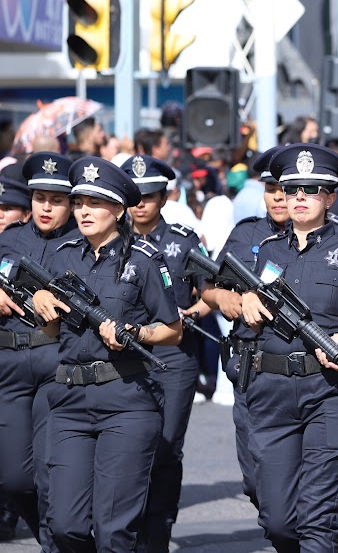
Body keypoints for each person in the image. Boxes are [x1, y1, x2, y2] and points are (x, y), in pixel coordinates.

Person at [240, 143, 338, 551]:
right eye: (291, 189)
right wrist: (246, 300)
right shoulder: (268, 250)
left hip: (330, 392)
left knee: (316, 515)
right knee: (276, 519)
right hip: (272, 390)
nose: (298, 198)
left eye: (311, 190)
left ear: (330, 197)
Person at [32, 156, 183, 552]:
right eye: (79, 202)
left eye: (95, 204)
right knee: (64, 525)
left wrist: (137, 332)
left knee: (115, 531)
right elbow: (50, 330)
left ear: (118, 210)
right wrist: (41, 301)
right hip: (68, 402)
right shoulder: (62, 256)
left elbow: (173, 329)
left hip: (126, 401)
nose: (83, 211)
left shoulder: (146, 260)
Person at [119, 154, 207, 552]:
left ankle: (158, 531)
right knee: (128, 447)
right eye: (134, 195)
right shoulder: (112, 239)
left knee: (167, 446)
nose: (140, 204)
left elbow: (210, 290)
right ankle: (126, 528)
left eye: (149, 196)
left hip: (173, 355)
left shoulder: (183, 239)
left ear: (165, 197)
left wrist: (195, 311)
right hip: (123, 354)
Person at [201, 146, 288, 511]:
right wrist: (226, 301)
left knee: (296, 491)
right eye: (271, 189)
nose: (280, 198)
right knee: (256, 484)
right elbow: (208, 286)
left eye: (289, 189)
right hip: (251, 369)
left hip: (306, 372)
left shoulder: (337, 239)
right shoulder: (245, 232)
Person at [0, 153, 77, 551]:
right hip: (9, 363)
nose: (46, 207)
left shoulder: (81, 245)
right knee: (12, 476)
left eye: (57, 199)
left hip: (54, 361)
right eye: (39, 197)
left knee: (49, 473)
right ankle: (48, 532)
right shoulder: (8, 240)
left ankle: (55, 543)